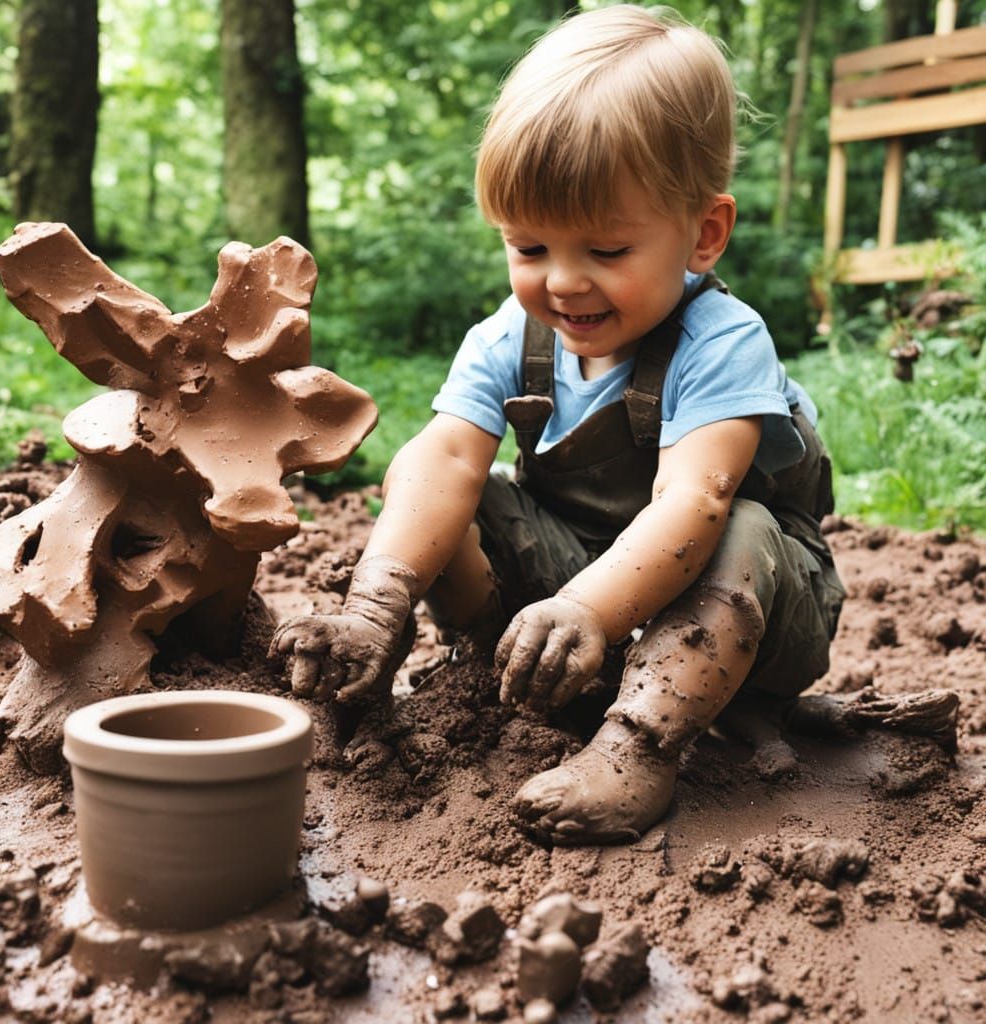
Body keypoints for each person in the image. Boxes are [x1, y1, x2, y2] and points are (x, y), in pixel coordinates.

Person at [273, 3, 846, 844]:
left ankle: (637, 744)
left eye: (606, 251)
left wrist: (587, 609)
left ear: (704, 233)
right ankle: (491, 672)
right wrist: (377, 598)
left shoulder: (723, 342)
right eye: (530, 248)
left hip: (749, 614)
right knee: (443, 481)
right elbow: (446, 459)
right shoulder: (510, 337)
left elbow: (693, 502)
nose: (564, 282)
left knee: (739, 525)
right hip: (573, 604)